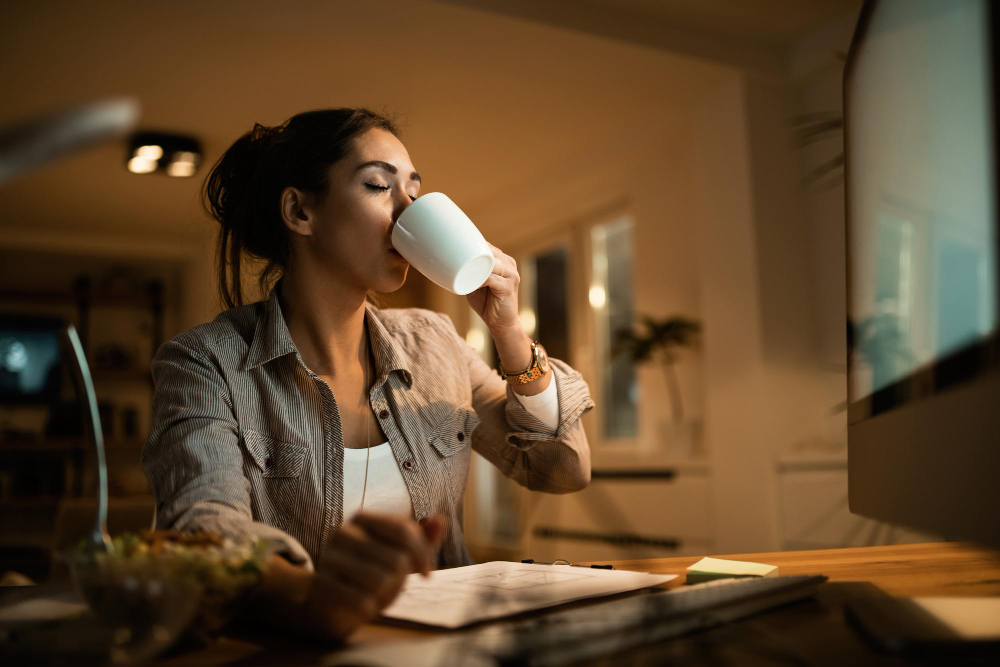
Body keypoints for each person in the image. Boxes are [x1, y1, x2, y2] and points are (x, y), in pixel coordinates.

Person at [141, 108, 594, 639]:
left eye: (415, 193)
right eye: (379, 185)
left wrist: (510, 332)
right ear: (300, 212)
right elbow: (205, 533)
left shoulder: (435, 343)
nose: (408, 211)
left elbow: (560, 470)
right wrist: (314, 594)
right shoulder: (204, 364)